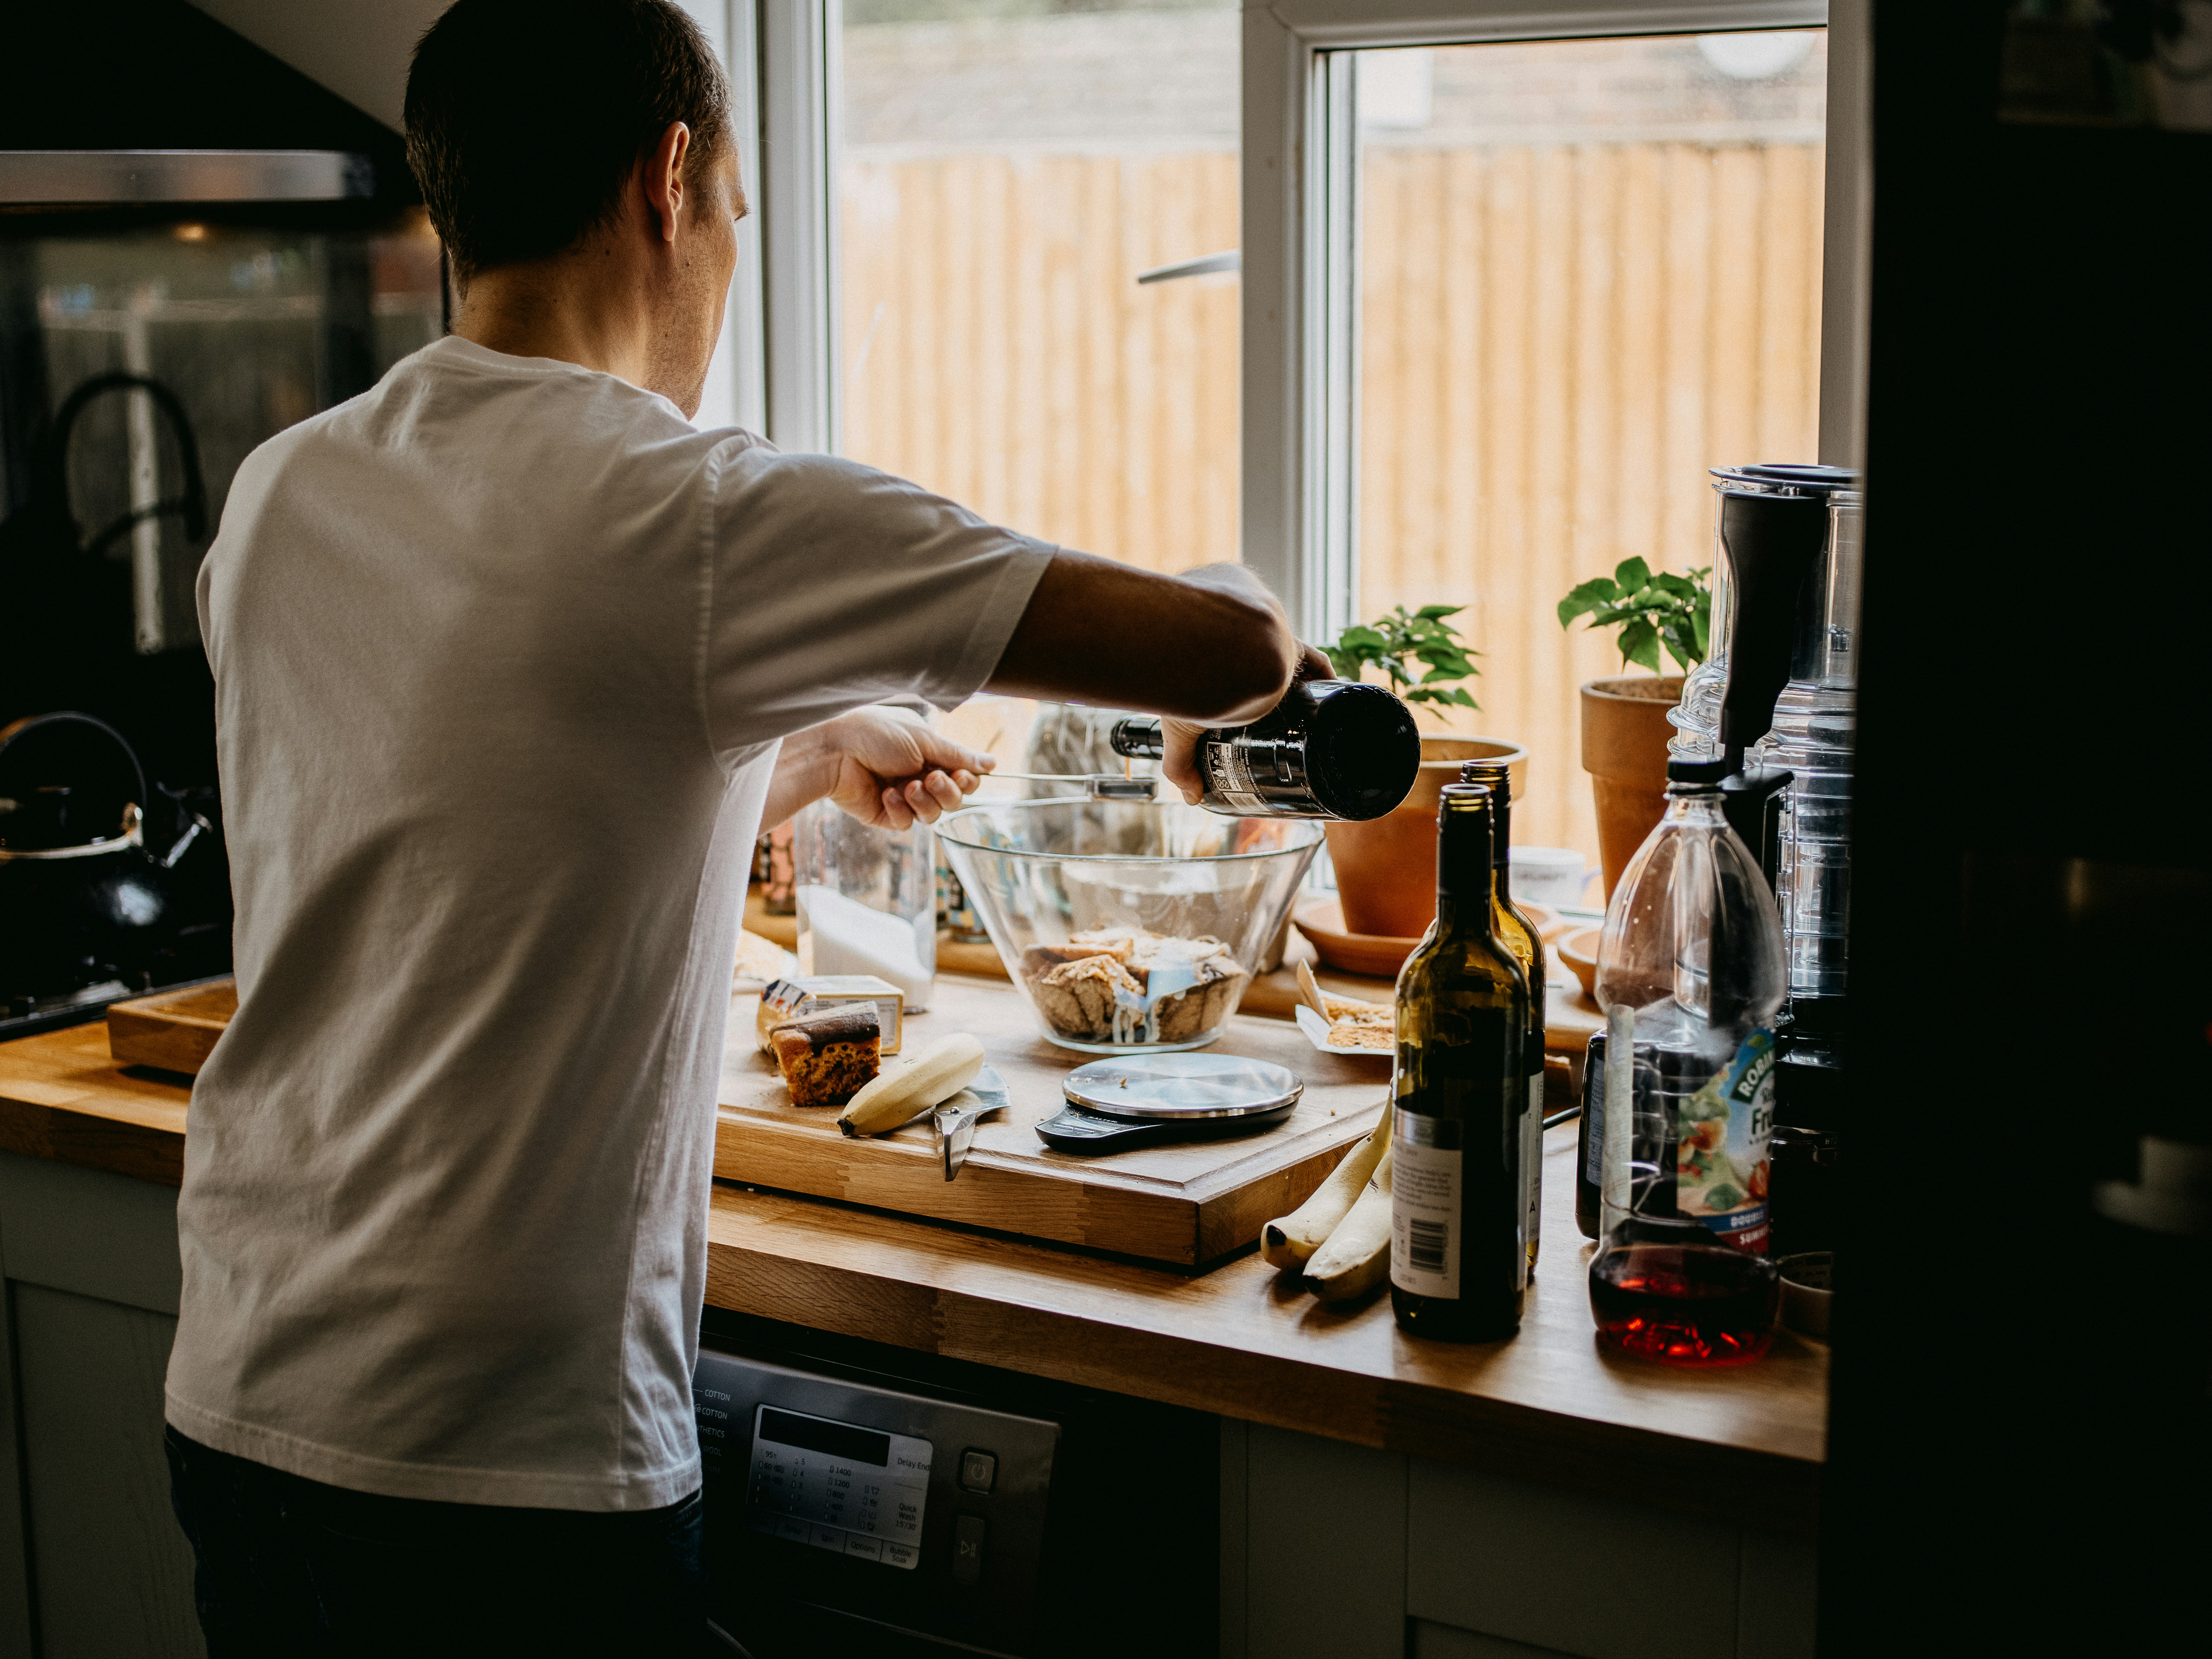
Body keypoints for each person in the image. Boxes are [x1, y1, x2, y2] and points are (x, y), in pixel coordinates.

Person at [161, 1, 1313, 1653]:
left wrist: (791, 751)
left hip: (245, 1405)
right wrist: (1251, 593)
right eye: (742, 218)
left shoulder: (287, 489)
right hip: (503, 1476)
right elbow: (1233, 661)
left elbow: (459, 819)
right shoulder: (692, 509)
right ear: (672, 179)